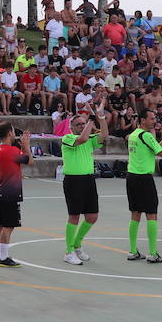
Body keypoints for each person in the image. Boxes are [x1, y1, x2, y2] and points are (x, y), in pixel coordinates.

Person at [125, 108, 162, 263]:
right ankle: (153, 253)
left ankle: (133, 250)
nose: (154, 121)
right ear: (143, 120)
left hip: (132, 177)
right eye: (152, 119)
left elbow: (153, 150)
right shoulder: (145, 135)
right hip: (144, 179)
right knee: (151, 214)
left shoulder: (134, 134)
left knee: (135, 213)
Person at [60, 112, 106, 264]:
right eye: (79, 124)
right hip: (73, 181)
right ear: (71, 127)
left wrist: (101, 118)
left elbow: (104, 134)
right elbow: (82, 139)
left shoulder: (90, 139)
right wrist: (91, 121)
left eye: (83, 123)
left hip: (88, 180)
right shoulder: (68, 138)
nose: (82, 126)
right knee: (74, 216)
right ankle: (68, 251)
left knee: (92, 216)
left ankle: (77, 244)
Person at [0, 124, 30, 267]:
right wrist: (26, 146)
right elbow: (30, 161)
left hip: (0, 191)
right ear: (9, 133)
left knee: (1, 224)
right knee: (9, 226)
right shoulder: (12, 151)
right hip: (11, 192)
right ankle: (3, 257)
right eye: (13, 131)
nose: (15, 134)